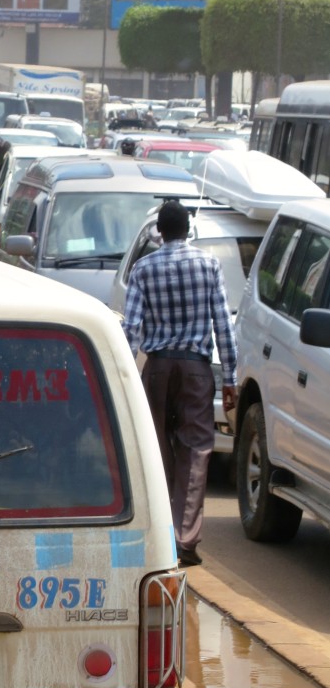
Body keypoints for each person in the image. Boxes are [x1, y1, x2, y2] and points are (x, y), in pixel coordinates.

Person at [122, 199, 237, 568]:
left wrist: (122, 376)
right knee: (196, 450)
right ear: (188, 230)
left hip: (156, 369)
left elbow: (131, 330)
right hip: (196, 371)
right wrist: (231, 377)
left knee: (156, 450)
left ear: (159, 231)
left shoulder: (143, 268)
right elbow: (223, 325)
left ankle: (159, 534)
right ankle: (184, 540)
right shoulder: (209, 265)